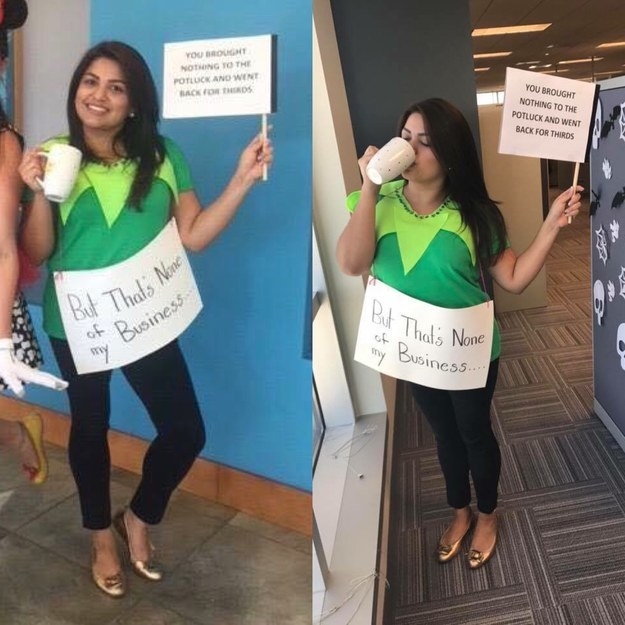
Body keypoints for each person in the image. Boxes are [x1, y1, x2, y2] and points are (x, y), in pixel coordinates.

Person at [18, 40, 273, 598]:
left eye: (115, 86)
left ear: (133, 102)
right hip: (77, 320)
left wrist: (242, 180)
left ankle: (138, 518)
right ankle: (100, 538)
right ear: (76, 90)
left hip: (144, 316)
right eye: (90, 81)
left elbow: (196, 235)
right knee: (90, 427)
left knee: (185, 430)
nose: (99, 95)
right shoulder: (53, 154)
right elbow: (36, 253)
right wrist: (36, 193)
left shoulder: (163, 155)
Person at [336, 97, 581, 569]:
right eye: (405, 138)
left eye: (425, 143)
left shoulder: (476, 214)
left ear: (449, 156)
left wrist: (550, 224)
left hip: (468, 353)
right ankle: (460, 511)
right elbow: (351, 263)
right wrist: (370, 186)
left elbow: (512, 278)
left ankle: (487, 516)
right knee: (442, 436)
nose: (410, 149)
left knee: (473, 434)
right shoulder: (376, 202)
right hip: (413, 352)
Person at [0, 0, 67, 485]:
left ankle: (20, 433)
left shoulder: (4, 144)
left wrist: (3, 342)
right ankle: (19, 433)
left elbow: (5, 248)